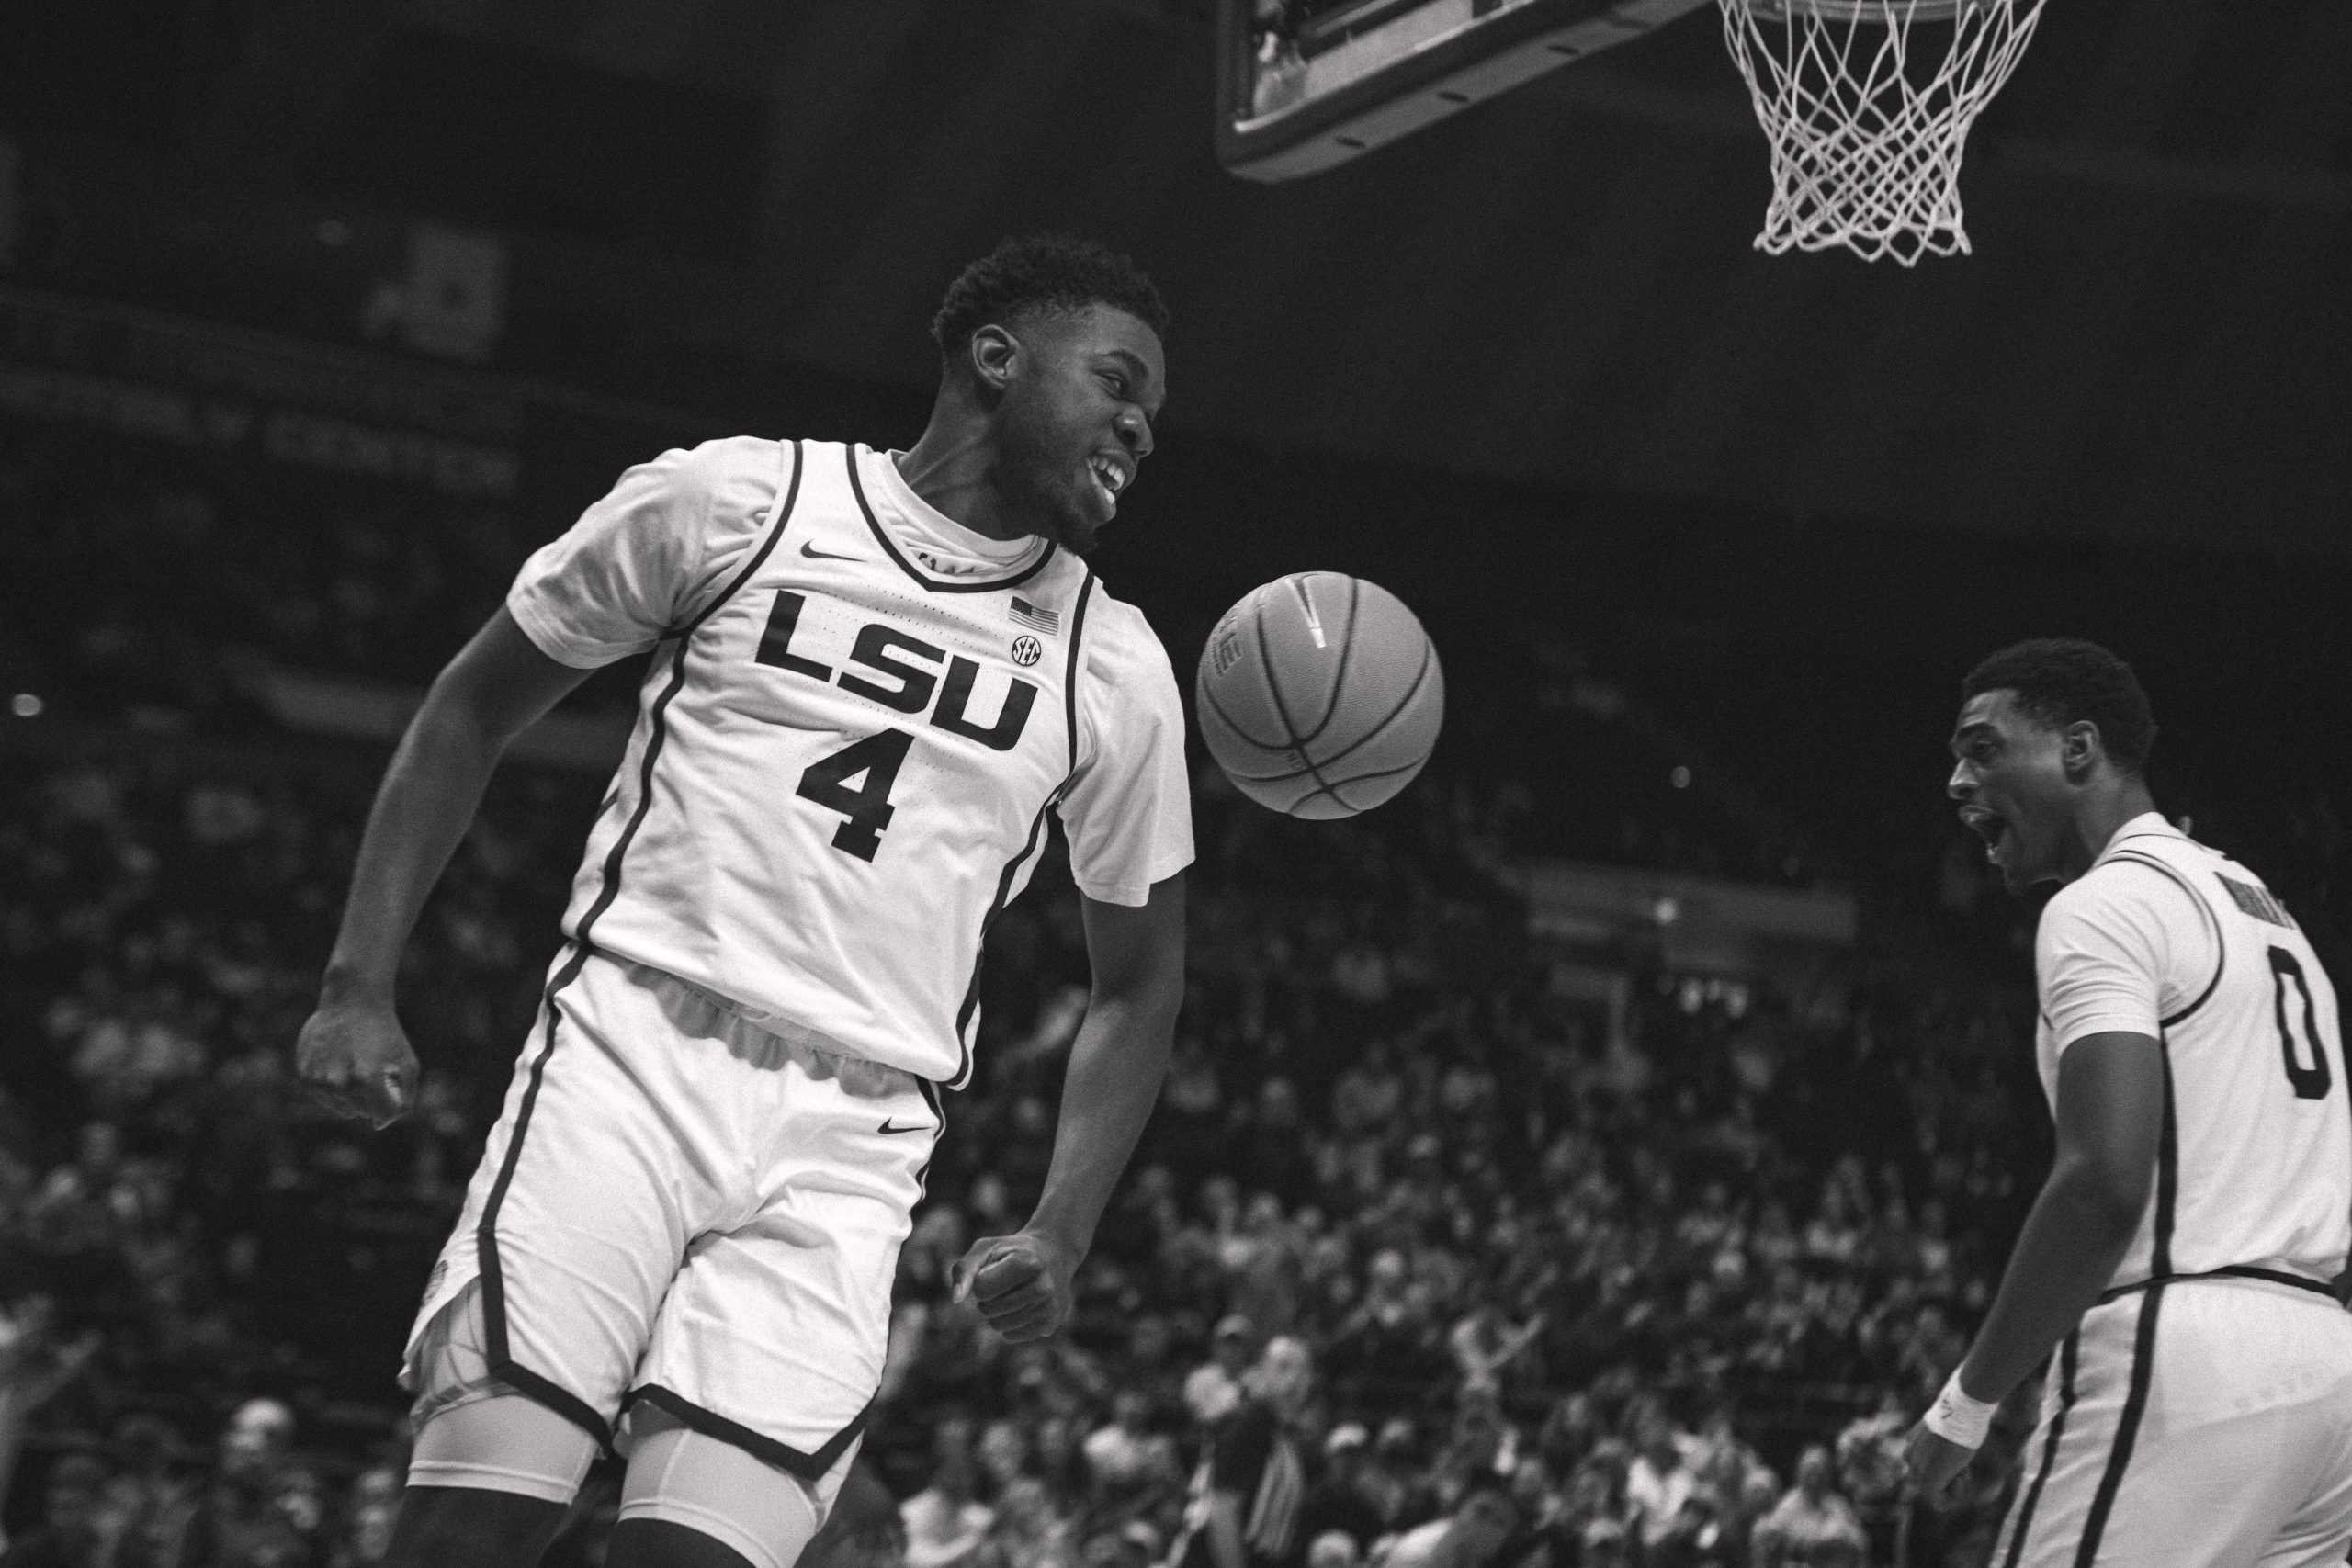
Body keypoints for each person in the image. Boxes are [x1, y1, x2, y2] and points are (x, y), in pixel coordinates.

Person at [293, 233, 1192, 1568]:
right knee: (474, 1518)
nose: (1138, 424)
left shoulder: (1113, 665)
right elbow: (471, 705)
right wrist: (357, 978)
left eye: (1153, 413)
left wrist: (1063, 1224)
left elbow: (1141, 980)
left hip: (855, 1140)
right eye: (1118, 381)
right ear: (997, 358)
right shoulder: (738, 501)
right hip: (632, 1053)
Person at [1906, 638, 2352, 1562]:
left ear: (2078, 751)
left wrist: (1969, 1401)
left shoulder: (2103, 905)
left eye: (1982, 748)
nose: (1955, 779)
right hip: (2326, 1369)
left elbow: (2101, 1184)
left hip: (2184, 1350)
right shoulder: (2259, 905)